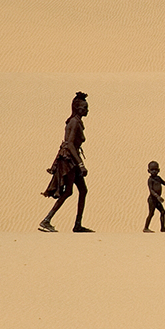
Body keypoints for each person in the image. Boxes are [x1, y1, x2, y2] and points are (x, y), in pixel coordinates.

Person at [39, 91, 95, 233]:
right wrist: (81, 164)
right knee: (68, 191)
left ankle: (77, 224)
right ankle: (46, 220)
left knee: (83, 190)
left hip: (72, 158)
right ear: (77, 108)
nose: (87, 110)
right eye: (84, 107)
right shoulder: (74, 122)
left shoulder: (76, 122)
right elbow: (69, 144)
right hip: (68, 160)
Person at [143, 161, 165, 233]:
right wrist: (157, 196)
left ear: (159, 170)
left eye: (156, 170)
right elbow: (151, 190)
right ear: (148, 171)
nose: (154, 171)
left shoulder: (158, 178)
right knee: (151, 213)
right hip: (152, 200)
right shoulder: (150, 180)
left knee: (162, 212)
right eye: (152, 170)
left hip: (157, 200)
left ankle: (163, 228)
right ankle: (145, 228)